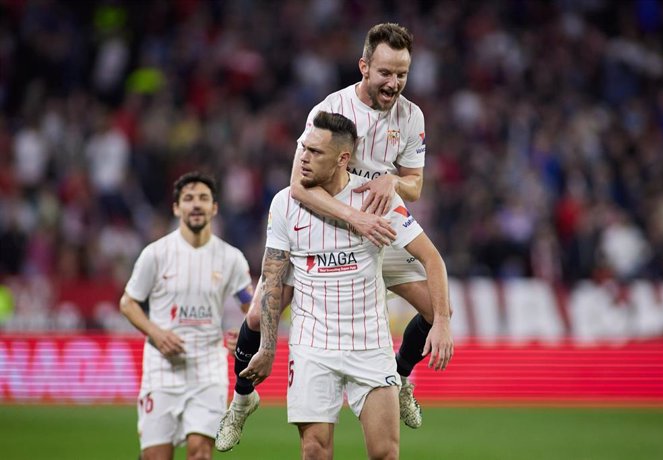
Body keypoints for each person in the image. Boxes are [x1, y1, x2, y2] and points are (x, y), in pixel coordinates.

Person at [216, 22, 453, 452]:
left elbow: (414, 185)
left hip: (379, 224)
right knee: (257, 318)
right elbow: (298, 185)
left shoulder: (412, 116)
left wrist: (390, 184)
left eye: (402, 74)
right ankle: (241, 400)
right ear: (364, 66)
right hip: (330, 221)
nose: (394, 83)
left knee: (441, 310)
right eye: (385, 73)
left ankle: (398, 377)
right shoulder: (332, 109)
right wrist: (353, 217)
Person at [242, 111, 452, 459]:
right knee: (314, 451)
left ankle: (401, 380)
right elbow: (274, 276)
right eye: (303, 149)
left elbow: (433, 259)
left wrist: (442, 321)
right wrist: (267, 347)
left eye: (314, 153)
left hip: (370, 344)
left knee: (385, 453)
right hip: (312, 345)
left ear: (343, 158)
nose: (303, 159)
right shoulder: (285, 203)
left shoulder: (379, 200)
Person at [120, 171, 253, 460]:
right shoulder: (155, 254)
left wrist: (244, 334)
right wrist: (156, 333)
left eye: (203, 198)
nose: (196, 205)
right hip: (161, 368)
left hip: (208, 369)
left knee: (201, 452)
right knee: (156, 456)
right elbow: (128, 303)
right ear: (176, 208)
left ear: (214, 208)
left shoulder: (231, 258)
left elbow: (250, 307)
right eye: (188, 199)